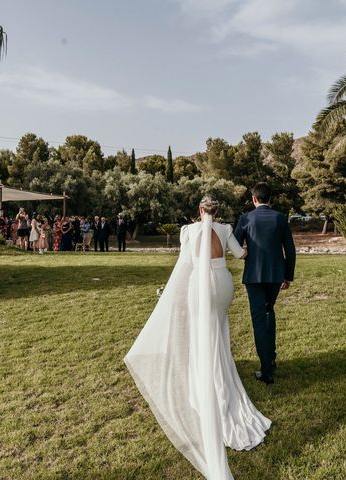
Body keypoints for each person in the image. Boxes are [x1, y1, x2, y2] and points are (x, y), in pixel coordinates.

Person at [124, 195, 270, 480]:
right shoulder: (226, 229)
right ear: (216, 212)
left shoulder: (188, 231)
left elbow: (185, 265)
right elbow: (241, 255)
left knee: (201, 335)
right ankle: (222, 379)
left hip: (200, 286)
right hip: (223, 284)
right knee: (218, 332)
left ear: (200, 210)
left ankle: (205, 385)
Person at [234, 182, 296, 385]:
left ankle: (266, 369)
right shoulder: (280, 218)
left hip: (253, 277)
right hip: (276, 276)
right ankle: (271, 356)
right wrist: (288, 276)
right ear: (271, 199)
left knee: (259, 319)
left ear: (254, 199)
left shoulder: (246, 218)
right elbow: (290, 250)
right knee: (269, 312)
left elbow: (234, 245)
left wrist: (244, 254)